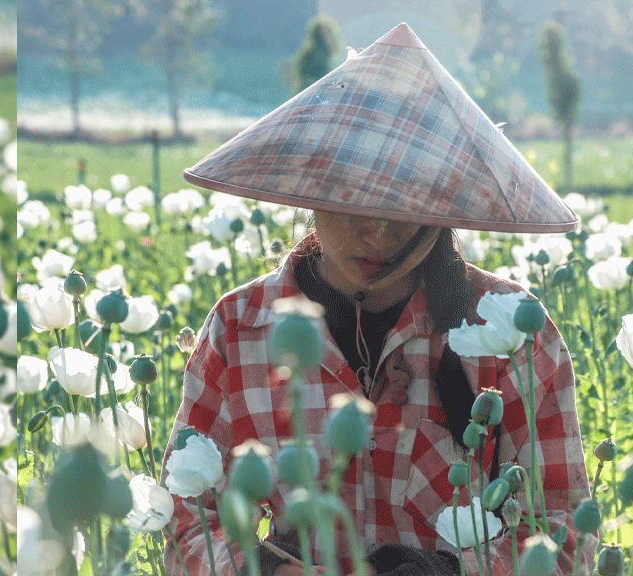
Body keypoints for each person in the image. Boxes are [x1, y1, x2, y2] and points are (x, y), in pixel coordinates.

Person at [160, 22, 595, 576]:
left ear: (445, 205)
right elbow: (184, 520)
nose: (379, 234)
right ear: (310, 189)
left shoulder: (510, 331)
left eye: (407, 206)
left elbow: (563, 530)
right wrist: (261, 569)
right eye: (353, 201)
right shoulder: (240, 329)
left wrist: (447, 572)